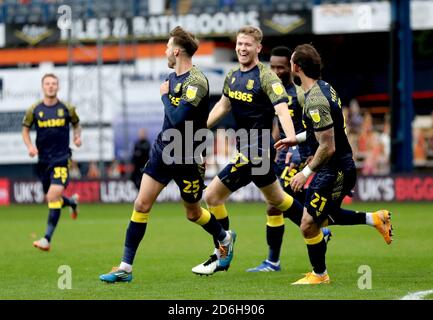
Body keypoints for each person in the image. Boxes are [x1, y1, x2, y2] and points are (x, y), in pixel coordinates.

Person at [99, 26, 235, 283]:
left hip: (188, 155)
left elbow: (177, 118)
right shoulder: (171, 78)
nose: (164, 52)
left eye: (166, 47)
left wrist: (163, 96)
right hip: (164, 150)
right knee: (141, 204)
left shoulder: (196, 81)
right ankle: (125, 268)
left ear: (176, 51)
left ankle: (225, 237)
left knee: (193, 213)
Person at [275, 44, 393, 284]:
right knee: (320, 216)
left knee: (309, 224)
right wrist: (294, 139)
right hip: (334, 167)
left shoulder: (315, 100)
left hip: (335, 169)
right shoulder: (323, 88)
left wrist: (305, 173)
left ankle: (320, 275)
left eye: (290, 63)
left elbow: (328, 146)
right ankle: (375, 219)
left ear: (296, 67)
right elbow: (319, 131)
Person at [191, 26, 302, 276]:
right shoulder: (232, 75)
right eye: (239, 44)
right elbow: (223, 106)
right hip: (246, 148)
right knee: (277, 200)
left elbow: (282, 110)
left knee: (212, 196)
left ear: (258, 48)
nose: (242, 48)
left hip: (258, 150)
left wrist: (292, 139)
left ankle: (222, 252)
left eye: (247, 44)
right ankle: (315, 227)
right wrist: (199, 129)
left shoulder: (267, 77)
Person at [246, 46, 332, 273]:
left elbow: (318, 127)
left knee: (275, 203)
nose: (276, 71)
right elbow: (277, 125)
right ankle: (319, 226)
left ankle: (276, 260)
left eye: (281, 67)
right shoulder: (272, 91)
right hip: (282, 154)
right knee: (277, 205)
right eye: (272, 66)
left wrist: (306, 154)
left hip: (299, 155)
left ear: (292, 68)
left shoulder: (302, 94)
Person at [22, 73, 81, 251]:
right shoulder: (34, 109)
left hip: (62, 158)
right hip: (43, 161)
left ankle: (46, 239)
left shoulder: (67, 108)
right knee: (50, 197)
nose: (51, 86)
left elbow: (77, 124)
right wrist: (30, 147)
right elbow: (25, 130)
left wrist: (77, 137)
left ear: (58, 87)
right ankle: (71, 202)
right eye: (47, 83)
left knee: (53, 196)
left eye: (54, 83)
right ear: (43, 87)